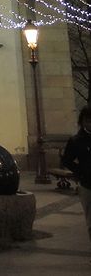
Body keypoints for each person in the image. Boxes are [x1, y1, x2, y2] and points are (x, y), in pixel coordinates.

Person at [61, 105, 91, 250]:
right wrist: (81, 171)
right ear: (82, 121)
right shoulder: (76, 140)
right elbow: (66, 160)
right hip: (87, 184)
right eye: (88, 120)